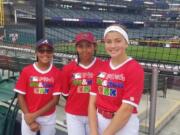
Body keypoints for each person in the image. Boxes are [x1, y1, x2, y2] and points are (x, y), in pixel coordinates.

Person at [88, 24, 144, 135]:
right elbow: (91, 103)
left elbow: (127, 108)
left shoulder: (134, 68)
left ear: (126, 43)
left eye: (118, 41)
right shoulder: (100, 68)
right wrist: (93, 132)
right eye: (108, 42)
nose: (113, 46)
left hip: (124, 125)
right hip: (100, 121)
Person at [14, 38, 62, 135]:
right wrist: (29, 117)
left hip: (48, 117)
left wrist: (34, 116)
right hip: (28, 113)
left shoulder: (57, 73)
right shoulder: (27, 71)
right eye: (41, 50)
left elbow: (55, 100)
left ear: (53, 53)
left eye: (48, 50)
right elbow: (20, 96)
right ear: (36, 52)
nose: (45, 53)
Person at [61, 32, 103, 135]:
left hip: (96, 115)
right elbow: (65, 94)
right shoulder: (68, 68)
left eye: (88, 46)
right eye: (80, 46)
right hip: (74, 115)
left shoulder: (104, 66)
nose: (84, 50)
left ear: (95, 47)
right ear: (76, 48)